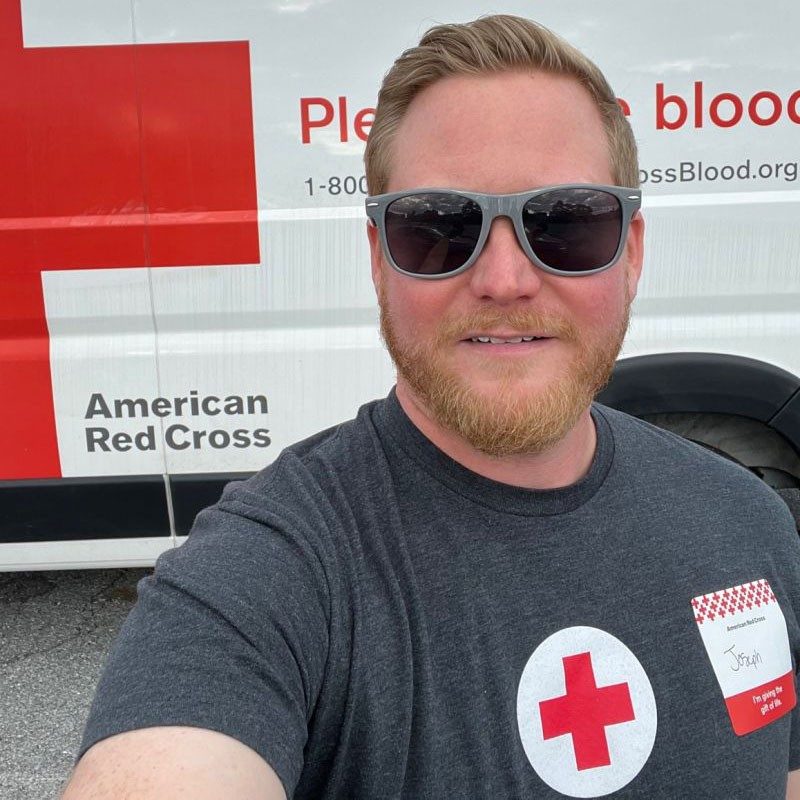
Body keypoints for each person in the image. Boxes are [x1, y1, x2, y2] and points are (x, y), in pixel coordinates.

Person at [63, 15, 800, 800]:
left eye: (568, 223)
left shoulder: (749, 522)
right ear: (379, 262)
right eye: (439, 229)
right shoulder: (270, 575)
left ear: (634, 251)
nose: (505, 279)